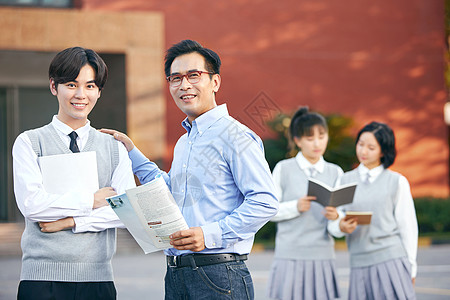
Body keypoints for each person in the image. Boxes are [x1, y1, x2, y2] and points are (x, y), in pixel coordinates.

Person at [101, 39, 279, 299]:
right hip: (176, 275)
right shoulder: (186, 141)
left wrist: (209, 235)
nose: (184, 85)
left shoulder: (236, 136)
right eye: (175, 78)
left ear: (215, 82)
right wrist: (131, 151)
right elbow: (170, 189)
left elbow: (265, 201)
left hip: (219, 274)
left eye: (194, 75)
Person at [12, 47, 136, 300]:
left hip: (98, 279)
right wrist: (92, 200)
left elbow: (126, 212)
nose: (81, 95)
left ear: (99, 92)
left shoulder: (114, 148)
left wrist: (71, 221)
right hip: (41, 280)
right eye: (71, 84)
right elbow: (33, 206)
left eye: (90, 86)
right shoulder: (29, 142)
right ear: (53, 86)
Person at [328, 121, 418, 300]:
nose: (363, 151)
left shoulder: (397, 182)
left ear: (383, 151)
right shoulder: (344, 181)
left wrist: (411, 267)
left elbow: (407, 228)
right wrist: (341, 226)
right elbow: (333, 224)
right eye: (360, 144)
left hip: (391, 260)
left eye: (371, 147)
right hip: (359, 263)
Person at [266, 107, 342, 300]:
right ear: (298, 140)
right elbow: (269, 210)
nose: (317, 143)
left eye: (322, 136)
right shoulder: (284, 169)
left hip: (323, 256)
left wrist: (337, 218)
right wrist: (295, 207)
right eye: (310, 138)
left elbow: (338, 226)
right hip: (290, 256)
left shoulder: (335, 172)